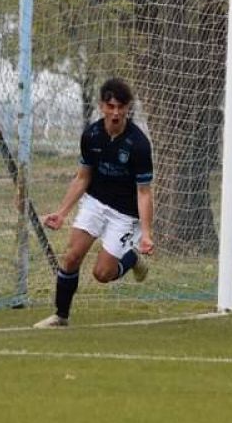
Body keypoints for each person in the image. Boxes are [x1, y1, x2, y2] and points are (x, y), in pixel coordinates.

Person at [34, 77, 154, 328]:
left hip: (124, 214)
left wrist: (146, 234)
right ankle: (61, 316)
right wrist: (62, 212)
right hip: (95, 203)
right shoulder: (91, 135)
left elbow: (144, 192)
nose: (115, 112)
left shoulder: (139, 145)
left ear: (128, 108)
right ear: (102, 106)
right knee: (71, 256)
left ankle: (131, 259)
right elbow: (82, 178)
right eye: (110, 106)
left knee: (102, 274)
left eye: (121, 107)